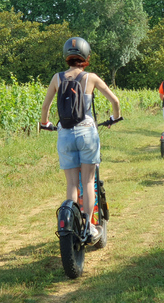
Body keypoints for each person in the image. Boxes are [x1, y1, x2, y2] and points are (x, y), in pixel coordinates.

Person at [40, 36, 121, 239]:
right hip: (87, 132)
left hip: (65, 134)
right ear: (86, 56)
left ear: (66, 56)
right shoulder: (90, 78)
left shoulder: (57, 78)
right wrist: (114, 118)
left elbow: (45, 107)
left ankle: (73, 224)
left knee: (71, 184)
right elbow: (115, 100)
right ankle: (90, 227)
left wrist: (45, 123)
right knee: (88, 180)